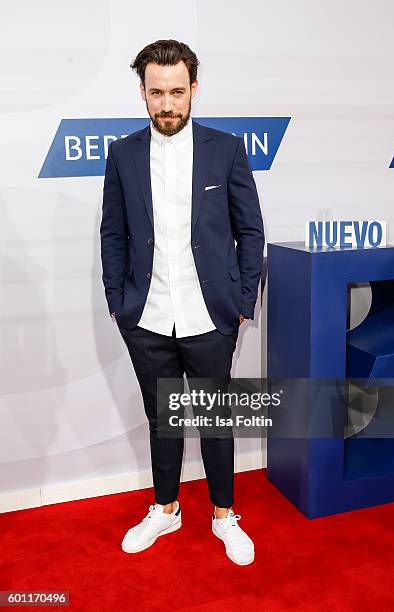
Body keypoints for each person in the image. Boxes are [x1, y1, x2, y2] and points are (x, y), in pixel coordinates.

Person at [100, 39, 264, 566]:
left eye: (176, 92)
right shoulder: (122, 153)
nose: (166, 105)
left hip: (210, 314)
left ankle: (223, 515)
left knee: (216, 418)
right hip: (145, 314)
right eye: (156, 94)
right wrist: (118, 302)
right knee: (162, 417)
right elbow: (113, 234)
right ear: (142, 93)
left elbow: (250, 230)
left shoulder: (226, 148)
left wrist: (241, 300)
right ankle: (166, 508)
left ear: (194, 89)